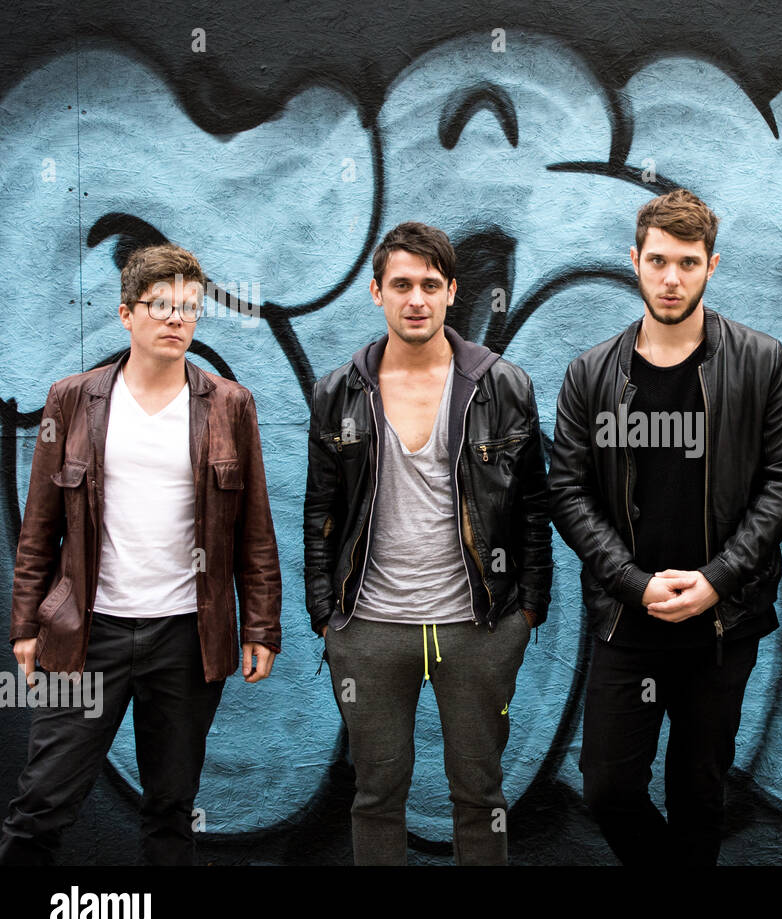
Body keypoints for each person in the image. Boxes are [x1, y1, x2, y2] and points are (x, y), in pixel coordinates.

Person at [549, 189, 782, 865]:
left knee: (699, 794)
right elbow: (567, 490)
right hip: (626, 620)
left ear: (711, 266)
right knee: (606, 786)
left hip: (723, 623)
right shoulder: (591, 374)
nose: (671, 278)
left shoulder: (759, 362)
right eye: (658, 260)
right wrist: (634, 584)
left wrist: (718, 579)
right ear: (635, 261)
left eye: (687, 263)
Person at [1, 244, 281, 865]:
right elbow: (40, 527)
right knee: (42, 802)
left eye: (189, 308)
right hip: (84, 633)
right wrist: (26, 625)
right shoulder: (73, 400)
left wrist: (260, 624)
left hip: (185, 637)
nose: (176, 320)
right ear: (127, 314)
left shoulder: (228, 405)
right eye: (162, 307)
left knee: (170, 808)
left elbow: (254, 530)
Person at [304, 221, 551, 865]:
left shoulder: (502, 386)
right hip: (370, 626)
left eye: (430, 285)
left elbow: (532, 507)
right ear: (376, 293)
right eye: (402, 284)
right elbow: (320, 512)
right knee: (376, 792)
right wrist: (326, 617)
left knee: (480, 793)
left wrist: (527, 612)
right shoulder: (340, 392)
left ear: (451, 294)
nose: (416, 298)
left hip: (478, 625)